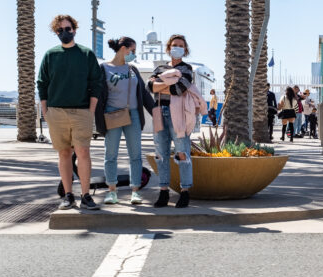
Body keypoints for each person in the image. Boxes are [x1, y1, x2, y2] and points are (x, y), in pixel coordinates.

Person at [38, 14, 102, 210]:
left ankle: (85, 196)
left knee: (83, 152)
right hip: (56, 112)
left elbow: (96, 83)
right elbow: (42, 84)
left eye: (67, 29)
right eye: (60, 30)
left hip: (82, 111)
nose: (64, 33)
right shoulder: (50, 55)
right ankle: (67, 195)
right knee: (64, 153)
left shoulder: (86, 54)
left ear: (74, 29)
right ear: (55, 33)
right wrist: (46, 112)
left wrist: (91, 110)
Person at [95, 37, 155, 205]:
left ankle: (135, 191)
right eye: (132, 50)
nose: (133, 54)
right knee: (110, 154)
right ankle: (111, 191)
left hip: (133, 115)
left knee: (135, 154)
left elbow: (143, 93)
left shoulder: (133, 69)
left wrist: (156, 111)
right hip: (112, 114)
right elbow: (98, 94)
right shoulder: (104, 68)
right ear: (123, 48)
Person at [149, 34, 206, 208]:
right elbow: (150, 87)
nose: (177, 47)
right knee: (161, 154)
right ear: (168, 48)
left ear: (185, 49)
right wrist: (168, 83)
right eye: (174, 45)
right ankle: (163, 191)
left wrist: (162, 84)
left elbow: (179, 89)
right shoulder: (160, 67)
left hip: (179, 115)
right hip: (160, 112)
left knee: (182, 153)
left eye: (180, 45)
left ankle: (185, 191)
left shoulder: (187, 68)